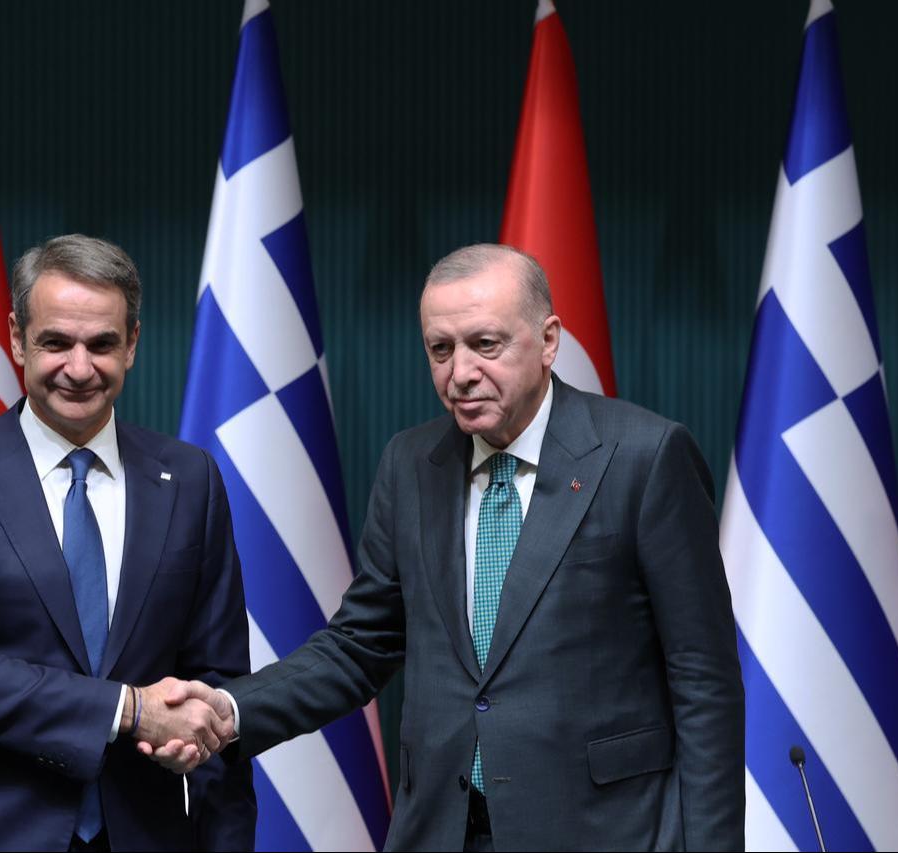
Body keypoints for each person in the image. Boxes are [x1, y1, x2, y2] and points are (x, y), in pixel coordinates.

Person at [146, 244, 744, 851]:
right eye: (441, 349)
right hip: (442, 830)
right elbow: (360, 646)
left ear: (548, 341)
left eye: (486, 345)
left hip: (604, 832)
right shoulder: (411, 464)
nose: (460, 373)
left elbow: (704, 680)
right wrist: (227, 708)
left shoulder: (645, 456)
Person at [0, 234, 255, 852]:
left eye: (102, 344)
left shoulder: (189, 478)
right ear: (15, 338)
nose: (79, 368)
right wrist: (128, 708)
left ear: (133, 343)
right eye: (55, 341)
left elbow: (219, 686)